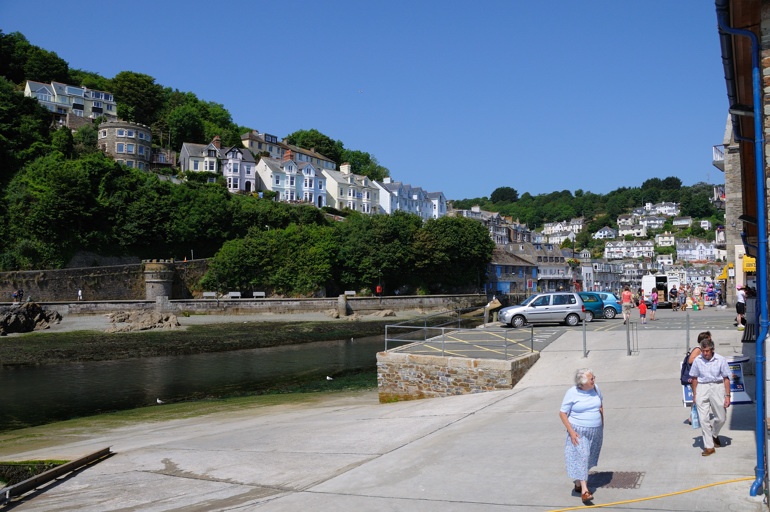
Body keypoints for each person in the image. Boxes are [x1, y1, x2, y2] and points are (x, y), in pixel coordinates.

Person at [559, 368, 603, 503]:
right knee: (582, 457)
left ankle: (578, 484)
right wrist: (571, 432)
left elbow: (600, 406)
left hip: (595, 430)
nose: (594, 380)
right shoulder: (572, 393)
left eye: (593, 377)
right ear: (582, 383)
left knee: (588, 458)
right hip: (579, 432)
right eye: (591, 378)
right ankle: (585, 490)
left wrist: (602, 425)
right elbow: (562, 413)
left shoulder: (596, 388)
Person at [689, 335, 732, 456]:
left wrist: (727, 396)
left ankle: (714, 434)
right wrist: (695, 393)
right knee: (703, 419)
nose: (705, 353)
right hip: (702, 387)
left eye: (707, 351)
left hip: (717, 387)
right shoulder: (698, 360)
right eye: (703, 351)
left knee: (721, 417)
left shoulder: (720, 360)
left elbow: (726, 378)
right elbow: (694, 378)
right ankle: (709, 446)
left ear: (712, 349)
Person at [683, 332, 707, 425]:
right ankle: (692, 417)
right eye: (709, 339)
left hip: (699, 377)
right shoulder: (698, 349)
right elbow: (690, 360)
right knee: (697, 397)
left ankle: (694, 417)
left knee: (698, 397)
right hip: (695, 377)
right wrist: (702, 357)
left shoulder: (702, 349)